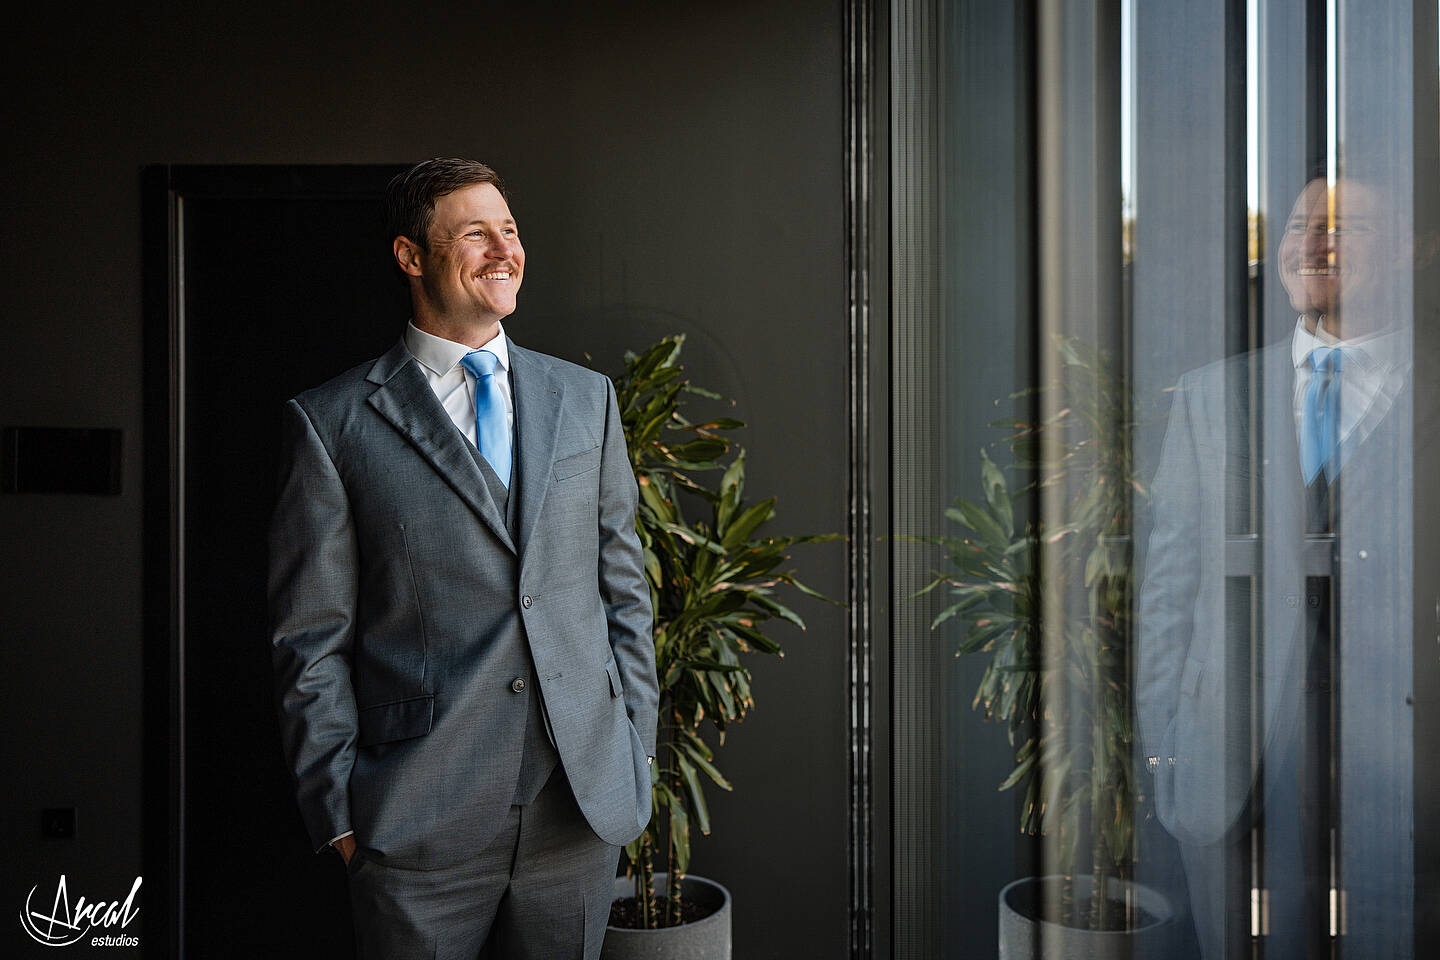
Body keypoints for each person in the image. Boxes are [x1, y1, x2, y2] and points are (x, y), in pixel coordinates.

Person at [268, 157, 658, 959]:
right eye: (475, 232)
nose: (503, 249)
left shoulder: (585, 401)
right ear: (412, 256)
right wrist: (341, 815)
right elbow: (310, 636)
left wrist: (634, 751)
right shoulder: (333, 422)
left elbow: (624, 592)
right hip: (417, 822)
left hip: (577, 815)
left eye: (509, 230)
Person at [1137, 175, 1420, 958]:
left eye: (1344, 226)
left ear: (1401, 249)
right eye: (1299, 225)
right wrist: (1165, 745)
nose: (1311, 242)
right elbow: (1167, 590)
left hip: (1395, 771)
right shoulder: (1210, 394)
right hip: (1223, 757)